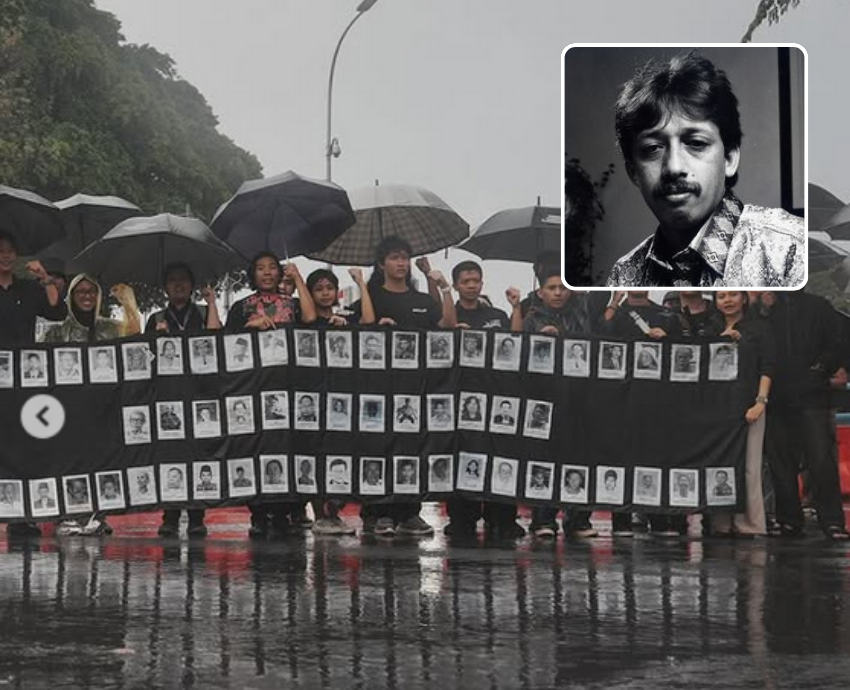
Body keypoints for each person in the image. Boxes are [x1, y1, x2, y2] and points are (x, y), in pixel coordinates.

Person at [606, 51, 804, 287]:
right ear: (633, 172)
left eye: (696, 143)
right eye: (652, 148)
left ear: (729, 158)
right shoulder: (625, 274)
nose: (674, 167)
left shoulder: (790, 249)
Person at [353, 236, 456, 538]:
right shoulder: (369, 296)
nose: (401, 263)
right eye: (394, 257)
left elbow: (448, 325)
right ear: (381, 263)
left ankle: (410, 512)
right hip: (379, 389)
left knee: (413, 447)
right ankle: (378, 511)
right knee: (379, 447)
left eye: (404, 257)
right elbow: (356, 329)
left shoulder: (422, 299)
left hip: (417, 389)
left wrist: (444, 286)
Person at [226, 252, 316, 537]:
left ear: (280, 273)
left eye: (273, 268)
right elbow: (225, 344)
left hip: (290, 385)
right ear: (252, 274)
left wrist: (299, 278)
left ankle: (289, 507)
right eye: (260, 268)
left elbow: (311, 318)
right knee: (258, 446)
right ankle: (259, 510)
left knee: (289, 446)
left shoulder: (294, 304)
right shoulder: (242, 307)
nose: (267, 273)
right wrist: (247, 327)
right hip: (255, 387)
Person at [45, 274, 141, 537]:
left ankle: (98, 514)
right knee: (69, 460)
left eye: (91, 292)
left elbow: (134, 338)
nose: (87, 297)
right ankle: (68, 514)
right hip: (67, 408)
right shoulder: (56, 331)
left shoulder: (109, 328)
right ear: (72, 297)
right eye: (80, 292)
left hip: (102, 408)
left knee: (100, 460)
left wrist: (128, 303)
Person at [760, 291, 850, 540]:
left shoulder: (819, 304)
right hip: (776, 397)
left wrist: (822, 367)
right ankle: (788, 520)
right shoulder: (762, 306)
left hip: (813, 396)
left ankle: (832, 521)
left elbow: (840, 340)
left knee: (821, 461)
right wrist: (764, 309)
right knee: (780, 464)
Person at [518, 263, 597, 539]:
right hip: (544, 397)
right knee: (544, 459)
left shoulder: (583, 314)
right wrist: (539, 341)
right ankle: (543, 519)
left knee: (579, 457)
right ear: (540, 292)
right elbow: (519, 356)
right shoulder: (531, 318)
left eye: (563, 287)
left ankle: (578, 520)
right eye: (552, 288)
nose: (558, 292)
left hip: (578, 396)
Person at [707, 291, 774, 537]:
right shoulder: (710, 327)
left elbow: (767, 367)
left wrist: (760, 402)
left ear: (744, 298)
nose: (727, 300)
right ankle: (720, 523)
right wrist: (719, 342)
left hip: (750, 406)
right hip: (717, 408)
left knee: (750, 466)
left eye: (733, 295)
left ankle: (751, 524)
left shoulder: (759, 328)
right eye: (721, 296)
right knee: (719, 463)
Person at [0, 232, 66, 353]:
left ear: (16, 255)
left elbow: (58, 313)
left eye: (10, 251)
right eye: (1, 251)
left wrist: (45, 277)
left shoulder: (29, 289)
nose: (5, 256)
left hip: (25, 363)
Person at [451, 260, 511, 330]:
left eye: (476, 281)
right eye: (465, 282)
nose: (471, 286)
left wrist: (516, 307)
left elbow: (516, 337)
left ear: (481, 284)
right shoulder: (449, 317)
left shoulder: (498, 315)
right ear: (455, 286)